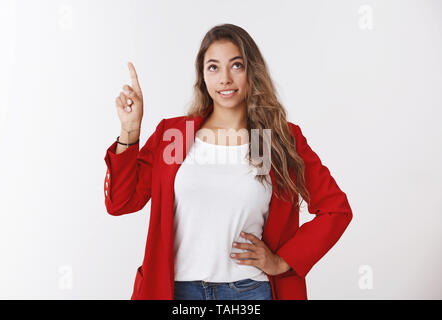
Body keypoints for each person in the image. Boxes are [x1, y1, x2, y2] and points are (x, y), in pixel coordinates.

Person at [104, 23, 353, 300]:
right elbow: (121, 202)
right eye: (213, 67)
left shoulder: (272, 140)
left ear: (251, 71)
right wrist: (130, 129)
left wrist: (282, 261)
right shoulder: (176, 136)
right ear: (202, 76)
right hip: (177, 291)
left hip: (249, 291)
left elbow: (336, 209)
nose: (225, 78)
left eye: (236, 65)